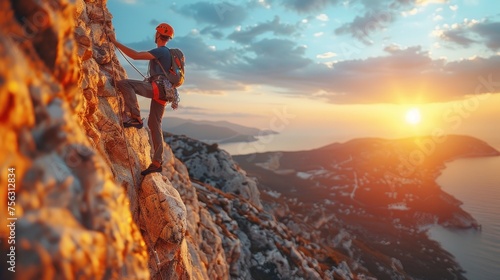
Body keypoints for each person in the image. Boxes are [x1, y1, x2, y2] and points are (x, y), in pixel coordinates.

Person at [109, 23, 175, 176]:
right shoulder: (169, 54)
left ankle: (136, 118)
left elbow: (136, 55)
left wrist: (115, 42)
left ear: (158, 35)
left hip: (158, 88)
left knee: (125, 84)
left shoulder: (161, 51)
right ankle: (157, 162)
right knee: (154, 123)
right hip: (166, 92)